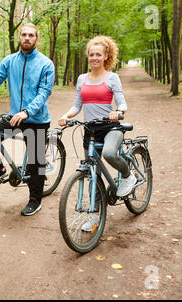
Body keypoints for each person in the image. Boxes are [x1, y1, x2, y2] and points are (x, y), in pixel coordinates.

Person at [0, 23, 55, 216]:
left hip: (37, 119)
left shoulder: (46, 64)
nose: (27, 38)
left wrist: (27, 111)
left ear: (36, 39)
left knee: (35, 162)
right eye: (24, 34)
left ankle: (35, 199)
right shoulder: (9, 61)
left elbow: (44, 93)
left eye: (31, 35)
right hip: (15, 116)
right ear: (19, 37)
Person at [58, 35, 136, 231]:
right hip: (90, 131)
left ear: (105, 56)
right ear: (88, 56)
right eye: (91, 54)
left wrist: (118, 112)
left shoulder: (112, 77)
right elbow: (77, 105)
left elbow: (122, 102)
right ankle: (94, 216)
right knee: (94, 174)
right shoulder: (82, 79)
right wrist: (66, 116)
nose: (94, 58)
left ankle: (128, 175)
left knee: (109, 153)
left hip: (111, 129)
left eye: (98, 54)